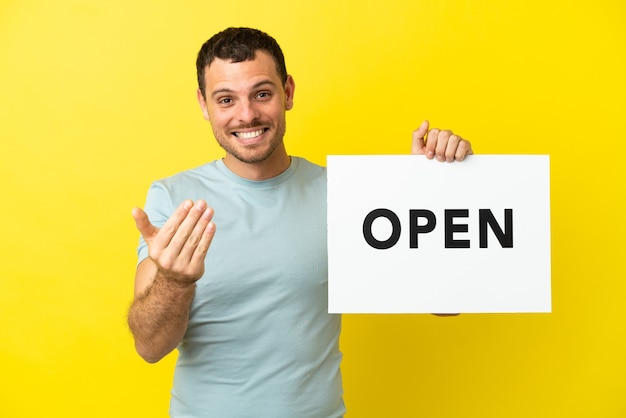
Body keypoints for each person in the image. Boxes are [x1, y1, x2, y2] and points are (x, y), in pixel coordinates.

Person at [128, 27, 472, 417]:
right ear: (204, 105)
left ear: (287, 92)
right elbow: (150, 347)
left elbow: (446, 306)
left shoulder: (342, 193)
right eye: (226, 99)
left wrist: (431, 195)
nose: (247, 114)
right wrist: (174, 280)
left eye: (262, 93)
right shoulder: (174, 197)